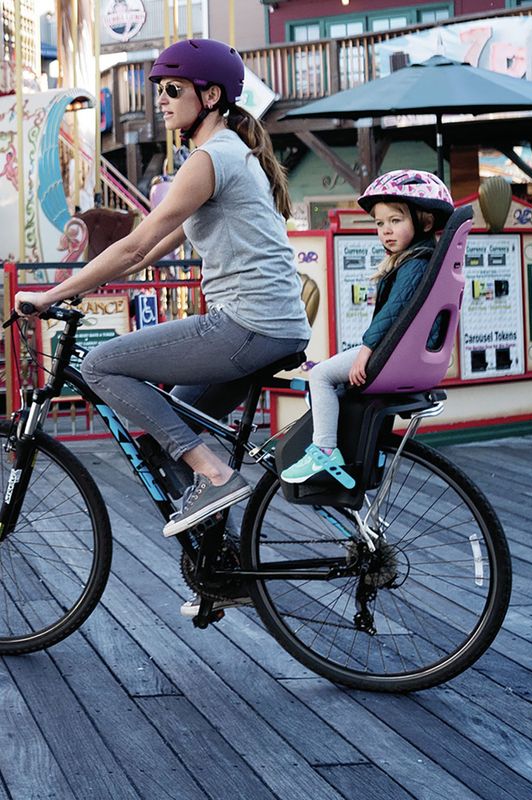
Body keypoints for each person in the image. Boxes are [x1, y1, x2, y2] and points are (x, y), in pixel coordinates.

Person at [15, 38, 311, 541]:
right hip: (272, 327)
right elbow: (149, 251)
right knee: (165, 432)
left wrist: (51, 295)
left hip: (245, 325)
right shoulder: (228, 155)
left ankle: (216, 475)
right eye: (159, 90)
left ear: (211, 96)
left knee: (100, 364)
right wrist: (86, 285)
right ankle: (226, 565)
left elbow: (134, 247)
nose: (162, 99)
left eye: (173, 89)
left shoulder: (210, 159)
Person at [280, 169, 453, 486]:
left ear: (425, 222)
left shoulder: (414, 263)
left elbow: (393, 312)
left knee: (320, 375)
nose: (386, 230)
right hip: (410, 353)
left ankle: (325, 450)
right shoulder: (423, 258)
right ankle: (335, 442)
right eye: (379, 223)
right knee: (334, 385)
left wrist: (366, 352)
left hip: (394, 353)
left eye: (396, 220)